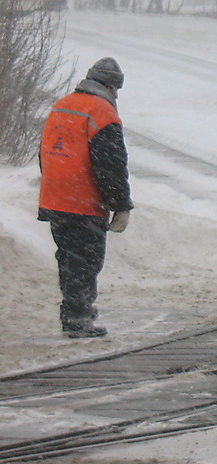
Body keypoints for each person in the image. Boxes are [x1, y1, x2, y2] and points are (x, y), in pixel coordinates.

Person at [38, 57, 132, 338]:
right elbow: (110, 165)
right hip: (83, 200)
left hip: (54, 197)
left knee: (68, 258)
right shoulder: (102, 112)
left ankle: (73, 313)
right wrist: (120, 205)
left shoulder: (62, 104)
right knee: (85, 261)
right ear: (109, 86)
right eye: (116, 88)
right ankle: (78, 319)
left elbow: (44, 150)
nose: (116, 95)